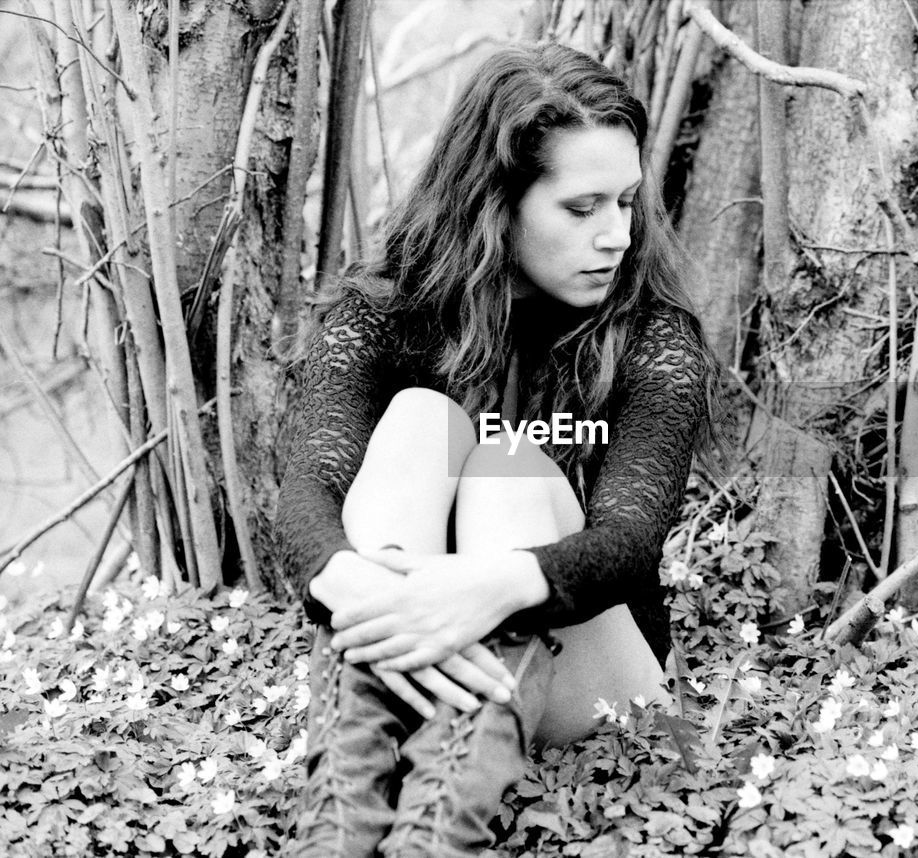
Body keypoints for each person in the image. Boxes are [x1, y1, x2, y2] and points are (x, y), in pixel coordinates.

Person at [275, 42, 720, 857]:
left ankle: (435, 840)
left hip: (597, 680)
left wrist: (487, 589)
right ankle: (335, 836)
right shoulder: (380, 316)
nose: (617, 236)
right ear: (498, 201)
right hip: (412, 648)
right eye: (582, 209)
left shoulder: (655, 337)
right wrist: (382, 601)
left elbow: (627, 543)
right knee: (418, 419)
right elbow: (306, 492)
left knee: (508, 464)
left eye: (625, 202)